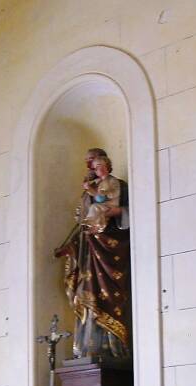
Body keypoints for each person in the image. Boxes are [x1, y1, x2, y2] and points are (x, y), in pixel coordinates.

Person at [54, 149, 131, 360]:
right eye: (90, 166)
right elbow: (81, 226)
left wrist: (112, 213)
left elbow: (130, 214)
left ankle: (113, 349)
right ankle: (87, 348)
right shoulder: (87, 194)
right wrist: (71, 246)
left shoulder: (118, 186)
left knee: (108, 296)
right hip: (89, 254)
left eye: (94, 165)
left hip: (110, 250)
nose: (92, 169)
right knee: (86, 292)